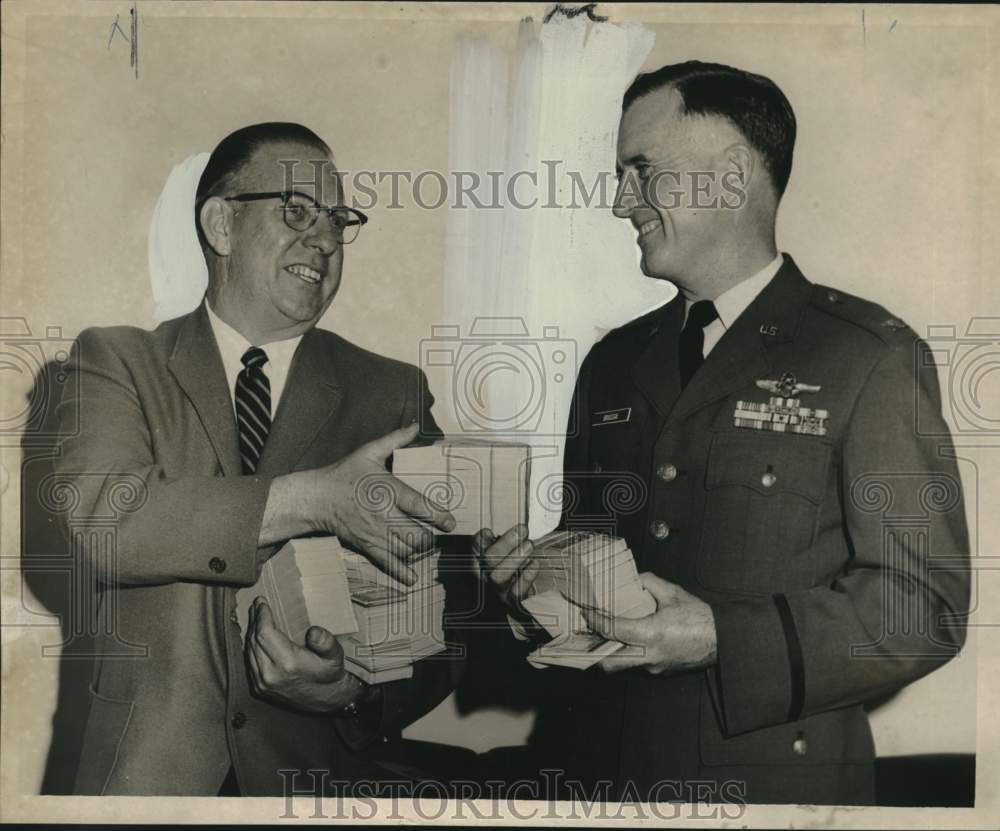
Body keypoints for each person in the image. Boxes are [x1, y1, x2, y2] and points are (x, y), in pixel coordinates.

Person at [475, 61, 970, 805]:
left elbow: (922, 608)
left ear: (731, 179)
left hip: (774, 791)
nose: (618, 203)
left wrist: (720, 637)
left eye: (641, 171)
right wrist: (535, 595)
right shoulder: (614, 363)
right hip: (602, 781)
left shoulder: (866, 355)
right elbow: (596, 566)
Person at [52, 122, 459, 796]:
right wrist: (309, 498)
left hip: (316, 786)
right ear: (220, 225)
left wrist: (352, 694)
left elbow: (450, 611)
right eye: (296, 211)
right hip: (149, 784)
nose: (324, 239)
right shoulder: (116, 361)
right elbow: (104, 520)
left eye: (337, 219)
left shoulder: (394, 394)